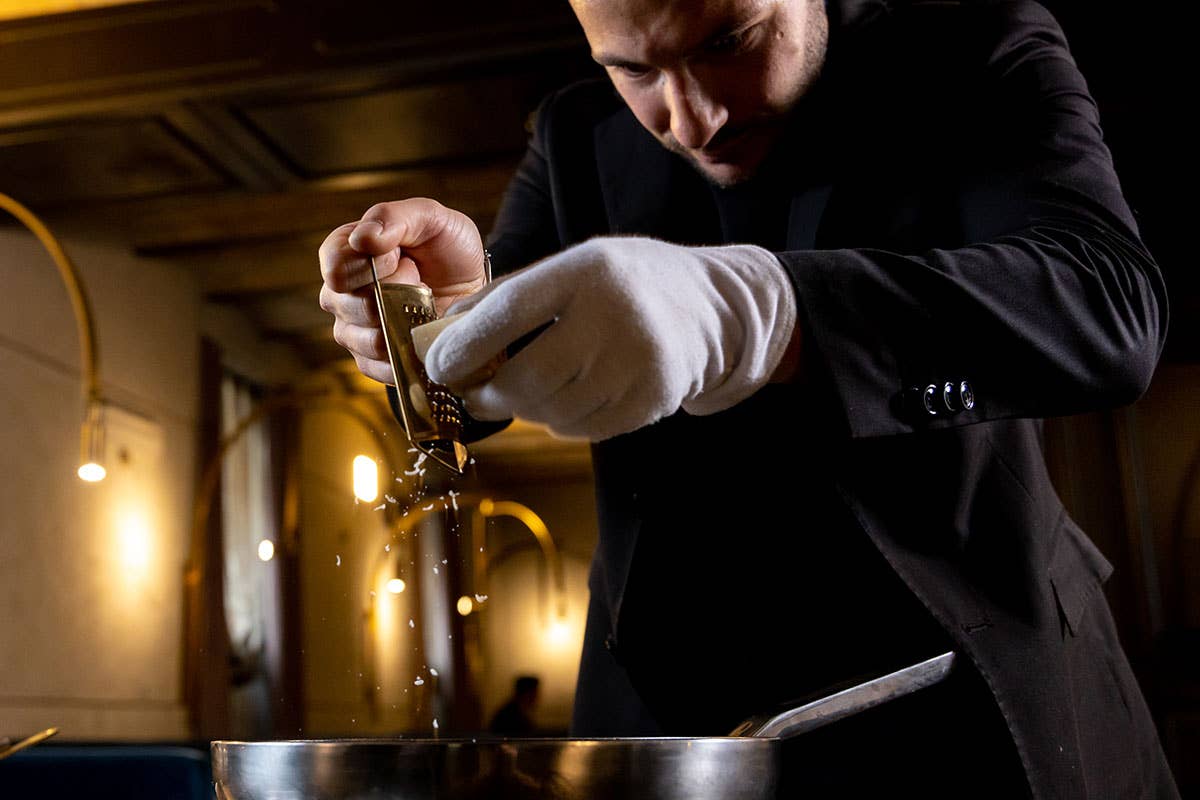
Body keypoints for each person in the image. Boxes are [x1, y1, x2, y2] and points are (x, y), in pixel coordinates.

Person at [318, 0, 1180, 795]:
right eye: (635, 71)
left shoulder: (974, 51)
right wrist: (443, 322)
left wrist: (766, 314)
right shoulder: (576, 132)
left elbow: (1107, 304)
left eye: (728, 41)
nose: (693, 120)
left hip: (960, 692)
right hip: (668, 724)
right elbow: (477, 384)